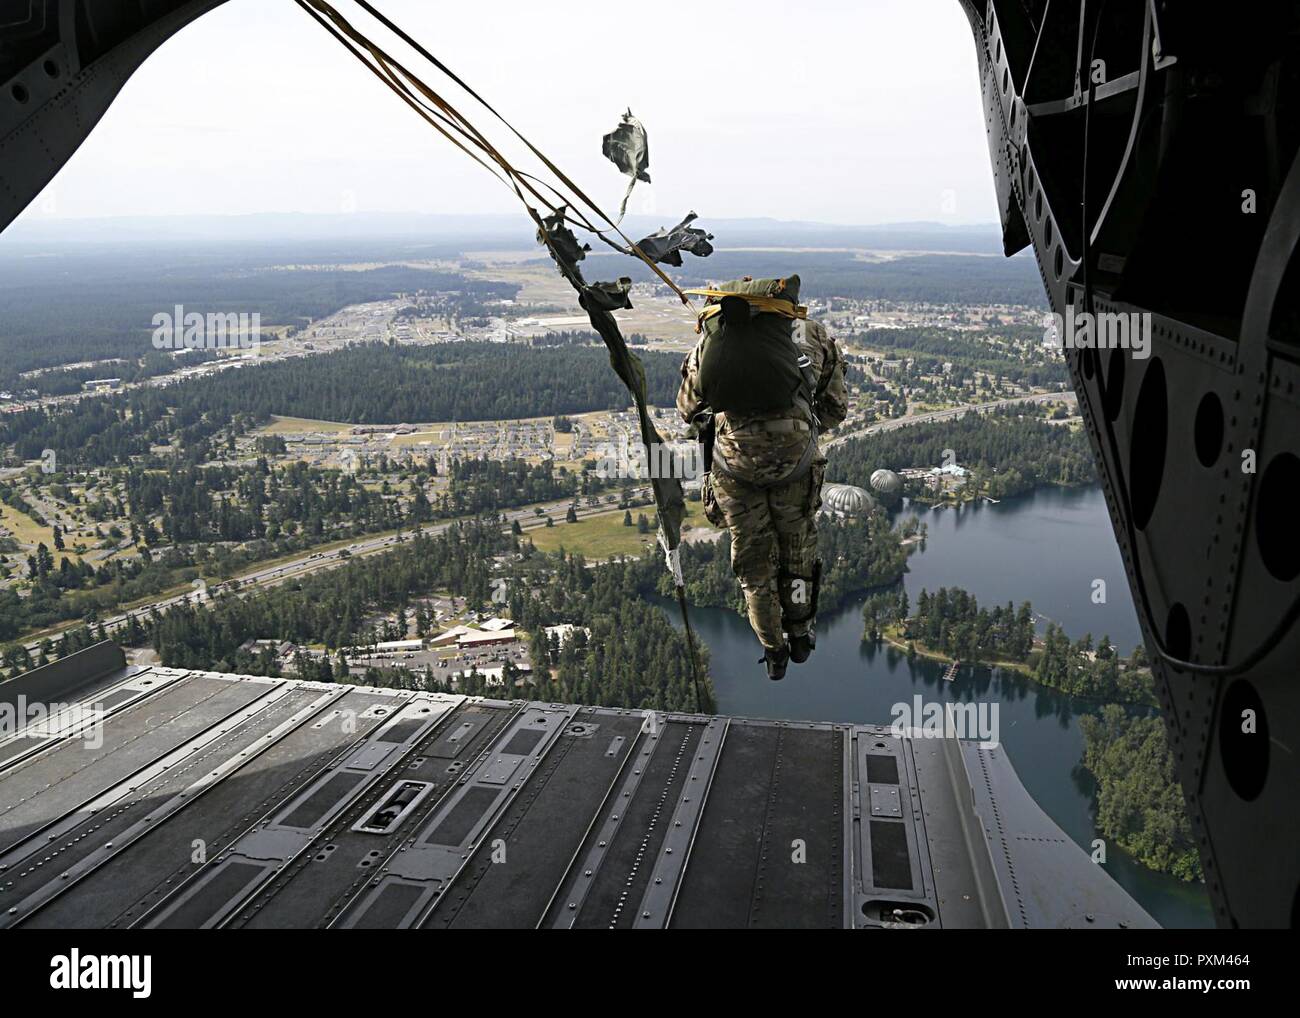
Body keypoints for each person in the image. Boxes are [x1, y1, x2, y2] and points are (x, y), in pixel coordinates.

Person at [677, 277, 847, 680]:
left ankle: (773, 651)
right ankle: (801, 633)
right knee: (797, 554)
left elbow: (688, 409)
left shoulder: (715, 336)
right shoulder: (812, 333)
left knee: (754, 568)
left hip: (734, 468)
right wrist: (801, 428)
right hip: (795, 463)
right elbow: (836, 408)